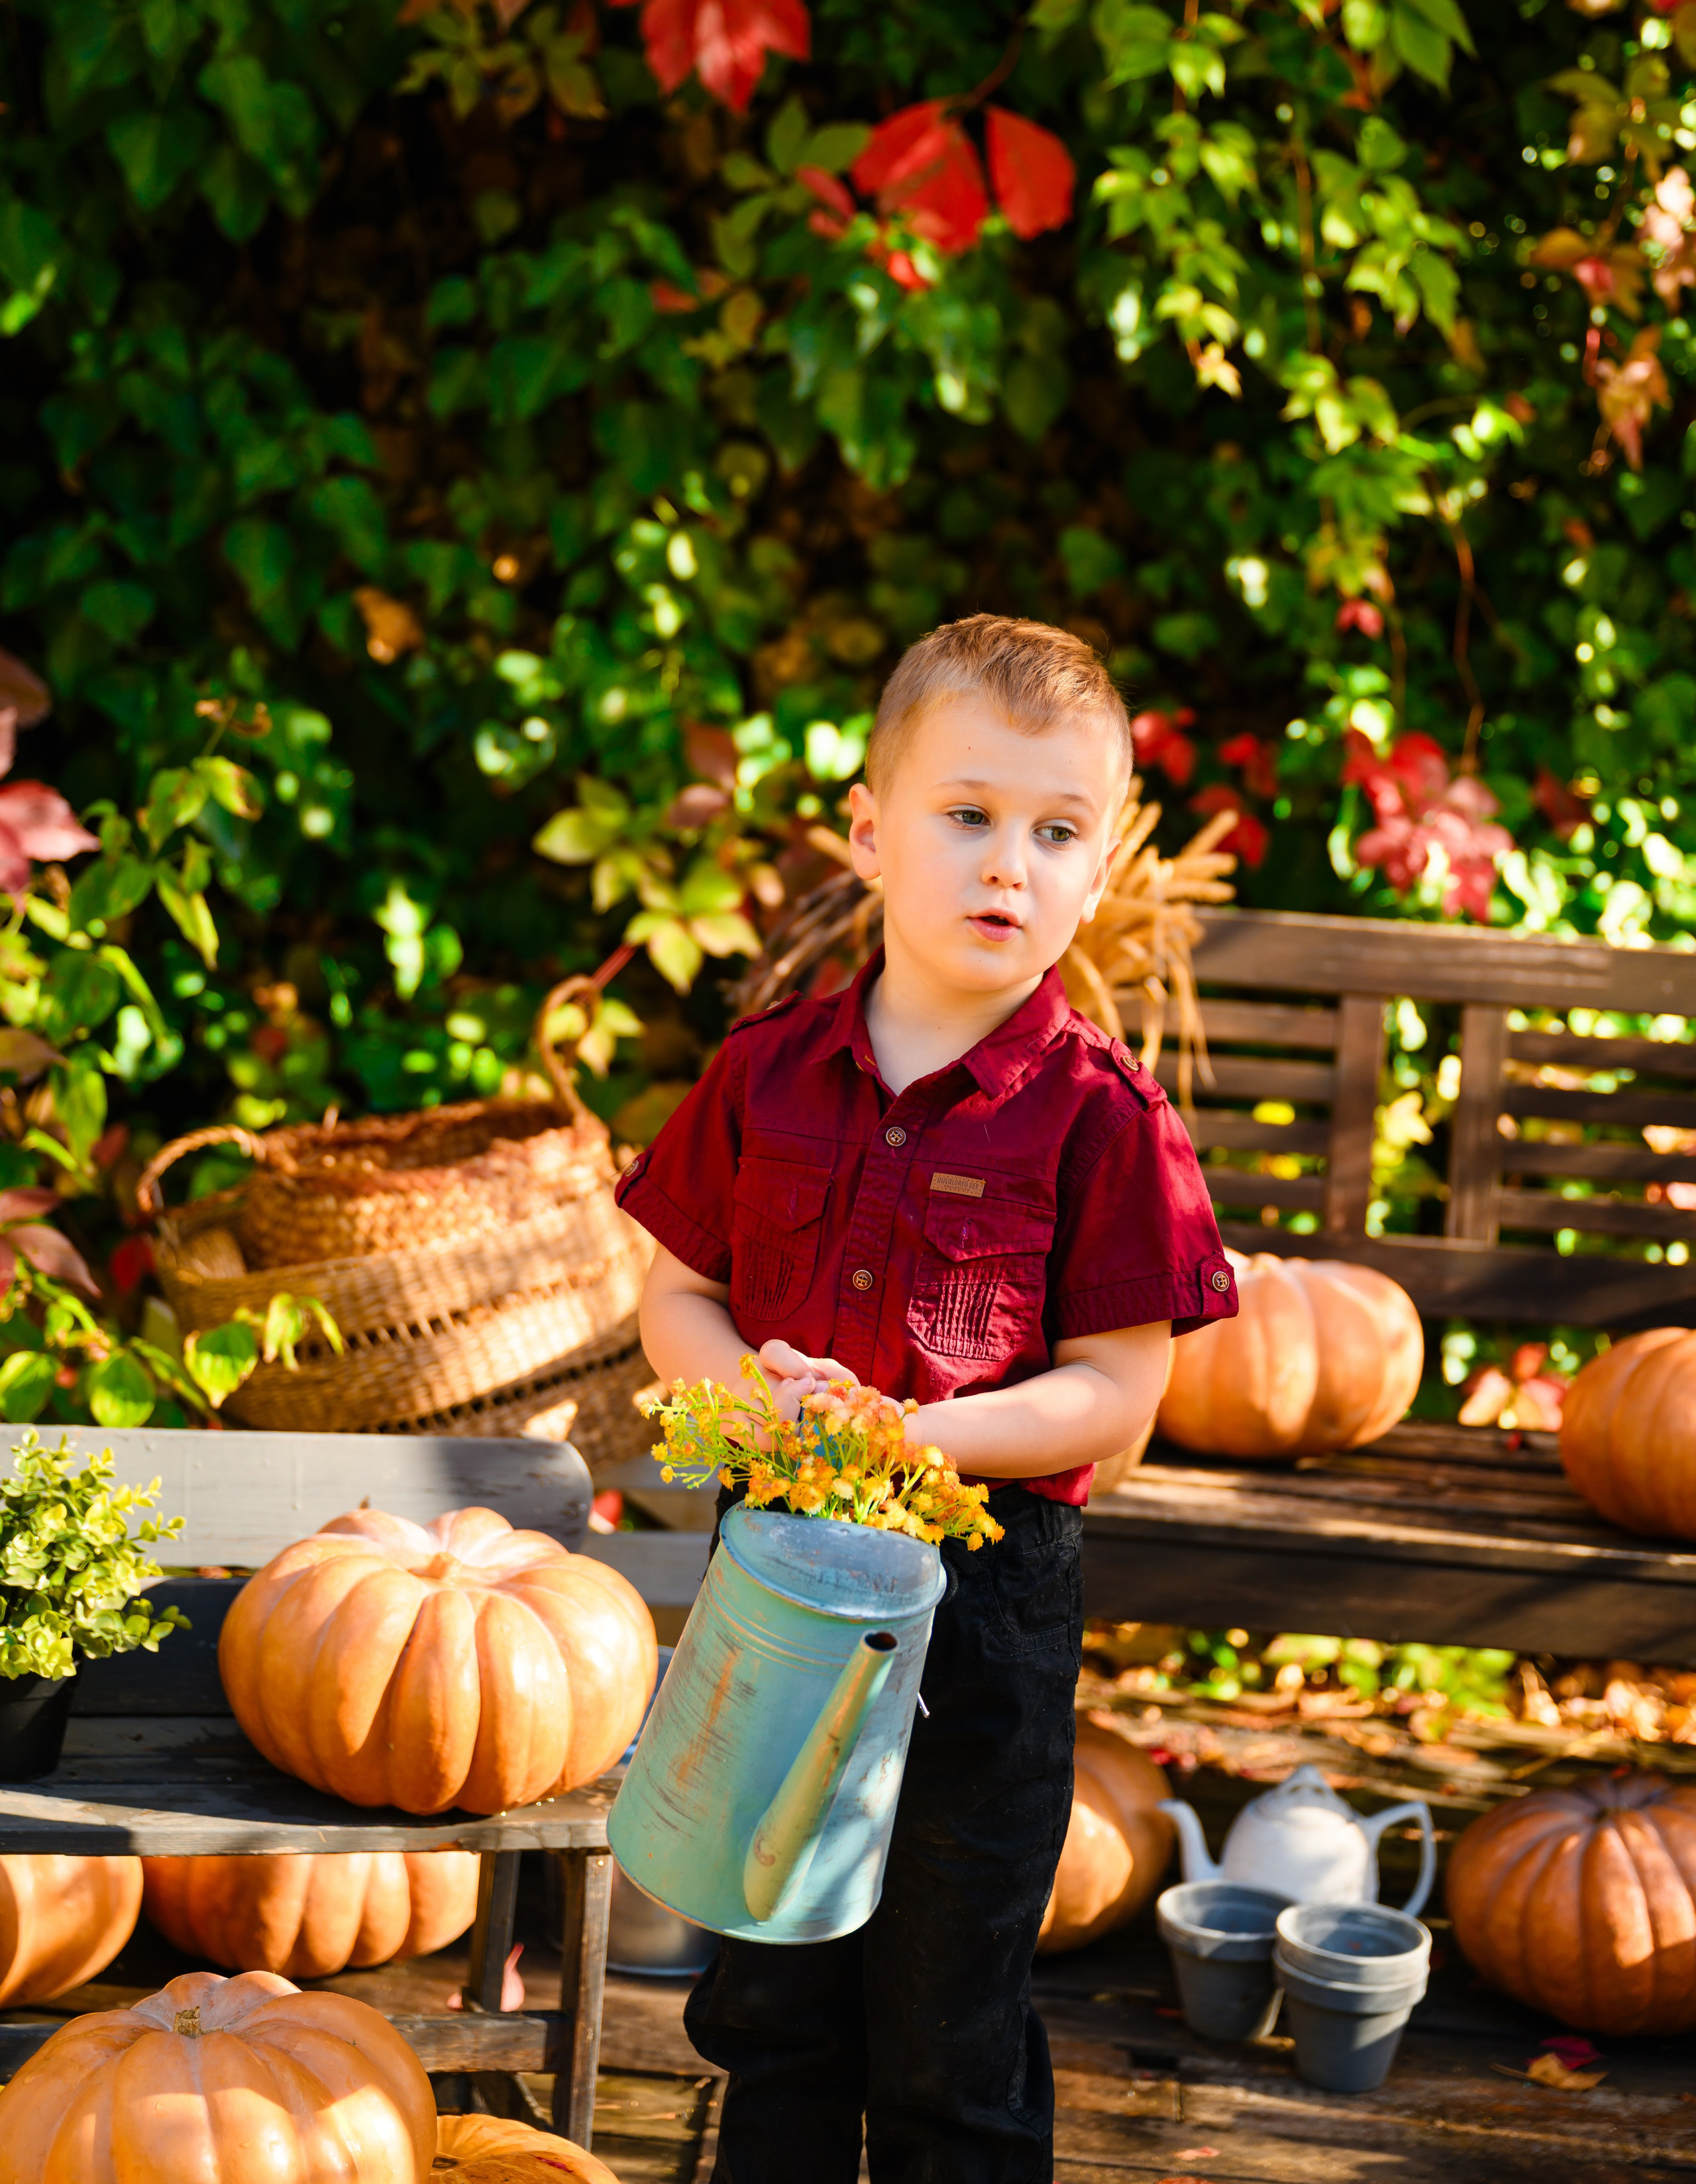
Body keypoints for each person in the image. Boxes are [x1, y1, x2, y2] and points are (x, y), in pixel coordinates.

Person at [614, 613, 1236, 2183]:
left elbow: (1114, 1391)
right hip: (776, 1585)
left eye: (1054, 830)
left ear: (1096, 870)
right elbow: (674, 1291)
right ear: (869, 830)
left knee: (950, 2016)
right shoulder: (763, 1075)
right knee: (774, 1990)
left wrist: (912, 1436)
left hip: (984, 1604)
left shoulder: (1107, 1122)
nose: (1005, 864)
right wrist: (752, 1401)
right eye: (967, 815)